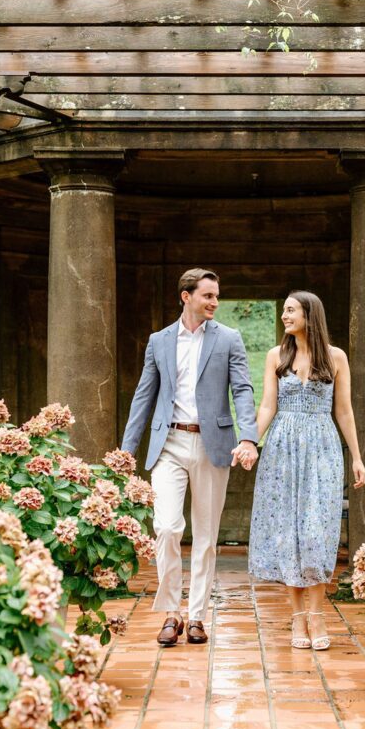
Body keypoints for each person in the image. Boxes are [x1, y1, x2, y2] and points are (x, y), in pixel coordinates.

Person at [121, 268, 258, 647]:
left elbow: (243, 390)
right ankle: (171, 613)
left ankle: (196, 615)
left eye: (216, 296)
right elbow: (143, 395)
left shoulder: (229, 338)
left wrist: (248, 437)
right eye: (208, 296)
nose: (214, 302)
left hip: (213, 445)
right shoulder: (159, 341)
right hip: (168, 444)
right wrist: (126, 450)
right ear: (186, 296)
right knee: (166, 528)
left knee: (207, 537)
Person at [246, 291, 365, 650]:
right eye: (283, 309)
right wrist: (250, 440)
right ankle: (297, 618)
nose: (284, 316)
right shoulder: (275, 356)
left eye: (290, 310)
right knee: (288, 535)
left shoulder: (336, 357)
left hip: (321, 449)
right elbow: (267, 405)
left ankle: (318, 614)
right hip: (282, 449)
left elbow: (343, 411)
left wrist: (356, 457)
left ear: (310, 315)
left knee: (317, 533)